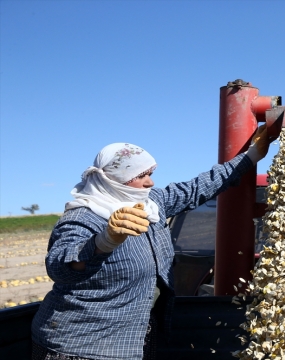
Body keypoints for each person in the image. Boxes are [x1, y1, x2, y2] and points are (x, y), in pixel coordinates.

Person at [31, 126, 270, 360]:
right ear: (116, 179)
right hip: (81, 345)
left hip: (132, 340)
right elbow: (60, 267)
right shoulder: (84, 218)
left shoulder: (151, 204)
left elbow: (197, 188)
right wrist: (104, 241)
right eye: (141, 176)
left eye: (150, 174)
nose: (150, 183)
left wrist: (252, 155)